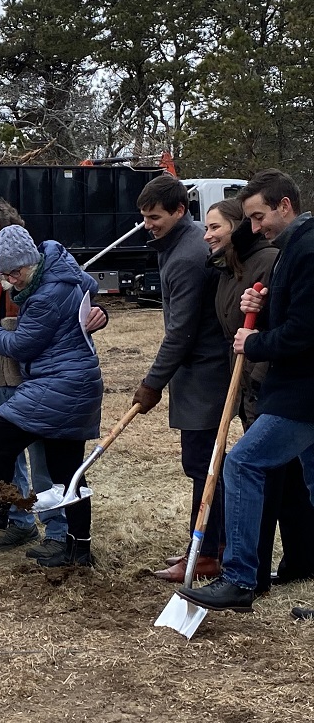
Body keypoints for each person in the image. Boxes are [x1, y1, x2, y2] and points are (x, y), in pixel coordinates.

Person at [177, 169, 314, 616]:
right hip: (298, 387)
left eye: (259, 217)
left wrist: (254, 341)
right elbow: (294, 311)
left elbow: (305, 331)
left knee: (243, 463)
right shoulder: (295, 247)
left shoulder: (307, 248)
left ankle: (238, 579)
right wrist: (265, 306)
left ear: (285, 206)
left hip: (303, 391)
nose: (255, 229)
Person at [0, 225, 104, 567]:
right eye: (5, 275)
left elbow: (22, 345)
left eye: (14, 273)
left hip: (62, 382)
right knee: (69, 473)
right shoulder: (61, 269)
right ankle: (78, 549)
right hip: (77, 381)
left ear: (29, 263)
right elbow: (91, 289)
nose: (11, 281)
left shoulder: (46, 293)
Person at [130, 176, 231, 582]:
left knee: (202, 463)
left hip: (206, 372)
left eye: (154, 217)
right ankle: (208, 543)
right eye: (143, 217)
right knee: (202, 462)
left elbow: (182, 331)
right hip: (195, 371)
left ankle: (208, 551)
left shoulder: (189, 255)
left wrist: (152, 383)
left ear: (178, 211)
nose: (147, 224)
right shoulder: (177, 245)